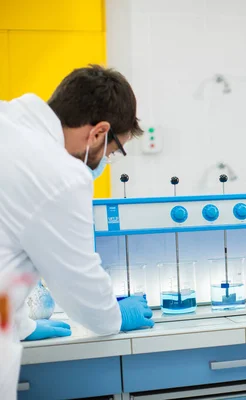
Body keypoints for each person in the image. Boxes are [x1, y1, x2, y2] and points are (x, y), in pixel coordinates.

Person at [0, 65, 155, 346]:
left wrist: (21, 325)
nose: (105, 161)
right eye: (112, 151)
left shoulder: (8, 120)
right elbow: (78, 281)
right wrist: (113, 317)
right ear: (98, 133)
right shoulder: (61, 174)